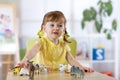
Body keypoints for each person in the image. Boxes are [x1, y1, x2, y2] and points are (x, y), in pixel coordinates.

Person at [19, 10, 94, 72]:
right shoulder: (42, 42)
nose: (56, 28)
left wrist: (81, 67)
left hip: (59, 75)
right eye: (52, 25)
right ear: (44, 28)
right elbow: (32, 51)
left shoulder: (64, 45)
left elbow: (71, 59)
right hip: (43, 74)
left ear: (64, 29)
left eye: (60, 25)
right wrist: (25, 59)